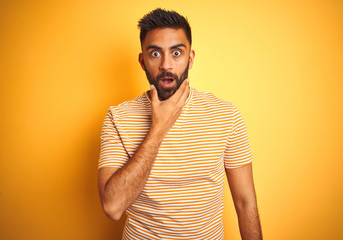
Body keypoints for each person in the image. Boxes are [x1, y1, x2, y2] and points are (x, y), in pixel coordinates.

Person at [98, 8, 262, 240]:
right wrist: (158, 127)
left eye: (176, 53)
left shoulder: (226, 115)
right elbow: (112, 207)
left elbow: (246, 203)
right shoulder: (118, 117)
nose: (166, 65)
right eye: (155, 54)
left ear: (190, 58)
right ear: (142, 61)